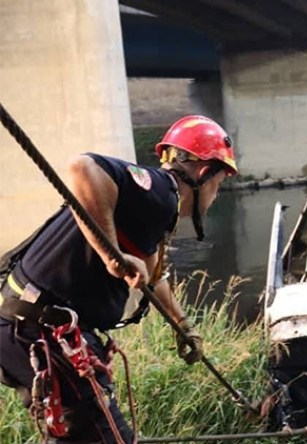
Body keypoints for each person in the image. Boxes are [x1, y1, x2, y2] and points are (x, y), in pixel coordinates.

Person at [0, 115, 238, 442]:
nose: (216, 194)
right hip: (42, 331)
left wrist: (184, 327)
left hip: (23, 325)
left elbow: (154, 278)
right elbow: (84, 167)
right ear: (203, 172)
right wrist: (111, 254)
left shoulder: (152, 211)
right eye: (219, 184)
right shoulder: (162, 191)